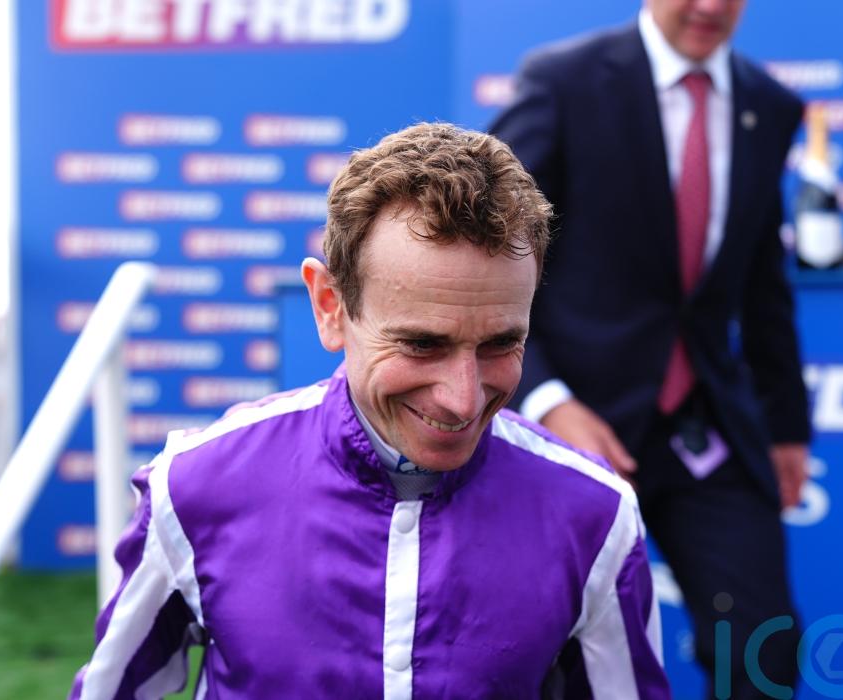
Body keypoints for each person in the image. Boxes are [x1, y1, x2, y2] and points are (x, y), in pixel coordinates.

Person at [71, 123, 671, 699]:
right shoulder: (195, 485)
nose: (463, 398)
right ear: (330, 306)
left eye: (500, 344)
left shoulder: (595, 514)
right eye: (422, 344)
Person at [491, 0, 811, 696]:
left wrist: (787, 427)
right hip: (572, 428)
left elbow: (762, 282)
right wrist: (547, 400)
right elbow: (488, 249)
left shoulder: (770, 105)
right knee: (553, 661)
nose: (710, 7)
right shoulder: (563, 81)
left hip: (708, 426)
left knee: (763, 650)